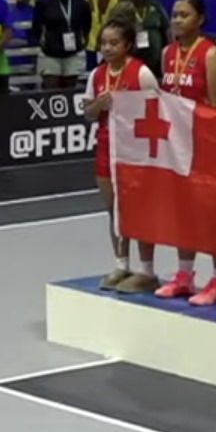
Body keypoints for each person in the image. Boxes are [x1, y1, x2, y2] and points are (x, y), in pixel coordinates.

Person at [153, 0, 216, 302]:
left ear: (200, 19)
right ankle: (185, 274)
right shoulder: (168, 52)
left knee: (211, 214)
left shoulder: (210, 54)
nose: (177, 20)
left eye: (184, 15)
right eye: (174, 14)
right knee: (182, 212)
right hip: (176, 146)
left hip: (205, 146)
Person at [85, 18, 161, 294]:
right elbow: (87, 113)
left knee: (138, 211)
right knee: (113, 209)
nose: (107, 48)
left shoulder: (141, 74)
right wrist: (99, 104)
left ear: (128, 45)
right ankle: (121, 263)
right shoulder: (96, 75)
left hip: (136, 150)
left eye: (114, 42)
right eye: (104, 43)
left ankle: (147, 270)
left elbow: (158, 110)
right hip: (106, 148)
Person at [32, 0, 92, 89]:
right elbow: (36, 26)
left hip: (73, 52)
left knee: (70, 88)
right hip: (50, 53)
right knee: (51, 87)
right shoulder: (44, 3)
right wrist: (43, 41)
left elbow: (87, 24)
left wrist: (83, 40)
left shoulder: (80, 3)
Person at [111, 0, 168, 77]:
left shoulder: (155, 6)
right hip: (130, 59)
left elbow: (168, 29)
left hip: (155, 62)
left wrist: (169, 51)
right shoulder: (121, 8)